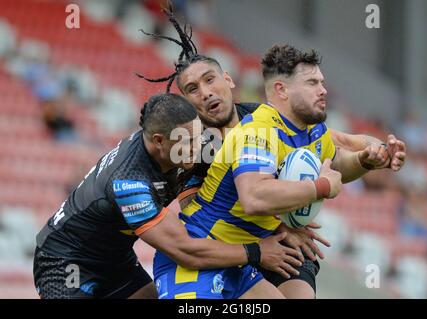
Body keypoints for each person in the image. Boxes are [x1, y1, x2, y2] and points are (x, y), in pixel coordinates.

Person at [137, 8, 406, 299]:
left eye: (210, 80)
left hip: (269, 239)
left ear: (228, 80)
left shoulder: (264, 118)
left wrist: (376, 152)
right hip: (225, 244)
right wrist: (286, 219)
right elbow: (196, 204)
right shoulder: (190, 144)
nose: (205, 92)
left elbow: (341, 144)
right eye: (192, 89)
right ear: (186, 101)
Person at [33, 93, 302, 299]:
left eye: (198, 138)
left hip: (115, 259)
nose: (198, 149)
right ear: (159, 141)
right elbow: (186, 252)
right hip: (66, 264)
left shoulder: (180, 141)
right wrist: (255, 252)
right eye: (188, 143)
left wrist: (284, 218)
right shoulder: (130, 183)